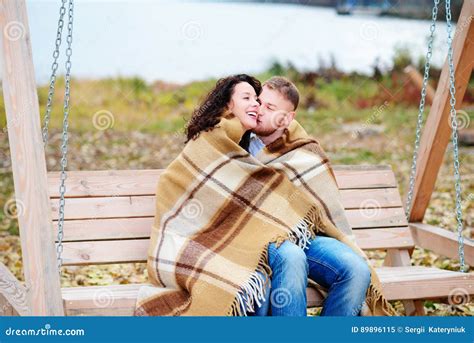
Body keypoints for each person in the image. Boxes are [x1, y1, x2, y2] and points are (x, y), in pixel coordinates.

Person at [241, 76, 372, 316]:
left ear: (287, 118)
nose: (260, 110)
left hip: (303, 236)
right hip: (257, 239)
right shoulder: (238, 144)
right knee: (291, 257)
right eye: (260, 102)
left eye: (270, 108)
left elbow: (323, 206)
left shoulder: (304, 151)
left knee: (356, 269)